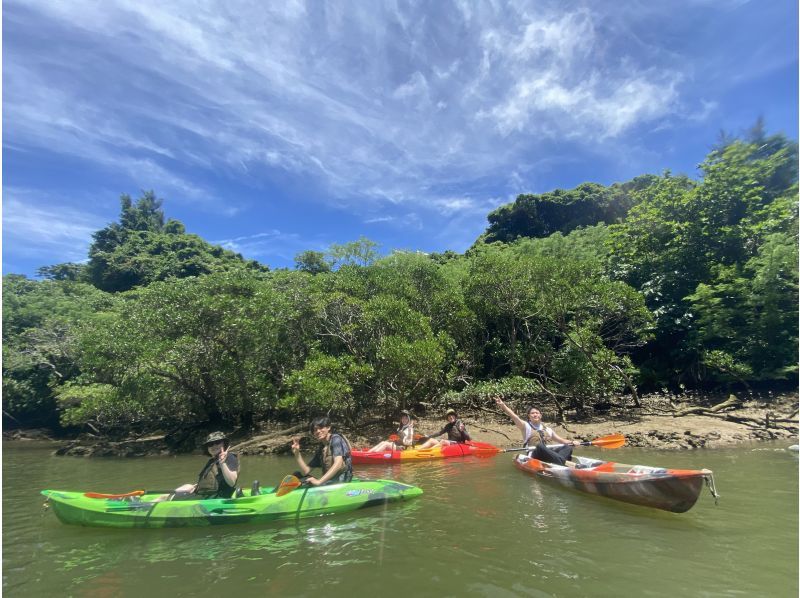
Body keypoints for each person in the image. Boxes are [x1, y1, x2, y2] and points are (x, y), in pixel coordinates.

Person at [494, 396, 578, 466]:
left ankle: (559, 463)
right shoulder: (525, 426)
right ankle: (563, 463)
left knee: (567, 446)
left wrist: (572, 442)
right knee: (540, 446)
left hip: (549, 455)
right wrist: (503, 405)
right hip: (535, 455)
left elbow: (561, 440)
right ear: (529, 416)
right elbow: (514, 416)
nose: (535, 415)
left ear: (540, 415)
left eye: (537, 413)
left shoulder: (548, 429)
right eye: (532, 413)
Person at [171, 431, 240, 499]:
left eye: (217, 442)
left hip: (216, 497)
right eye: (210, 444)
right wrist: (196, 487)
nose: (214, 446)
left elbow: (232, 482)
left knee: (169, 498)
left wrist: (222, 463)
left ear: (224, 444)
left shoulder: (229, 457)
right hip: (206, 495)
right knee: (187, 486)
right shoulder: (212, 461)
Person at [291, 416, 353, 485]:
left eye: (321, 428)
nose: (318, 431)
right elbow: (306, 470)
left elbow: (338, 464)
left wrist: (319, 481)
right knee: (297, 475)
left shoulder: (336, 439)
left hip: (342, 481)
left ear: (328, 427)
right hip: (329, 481)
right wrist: (297, 453)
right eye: (315, 430)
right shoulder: (321, 448)